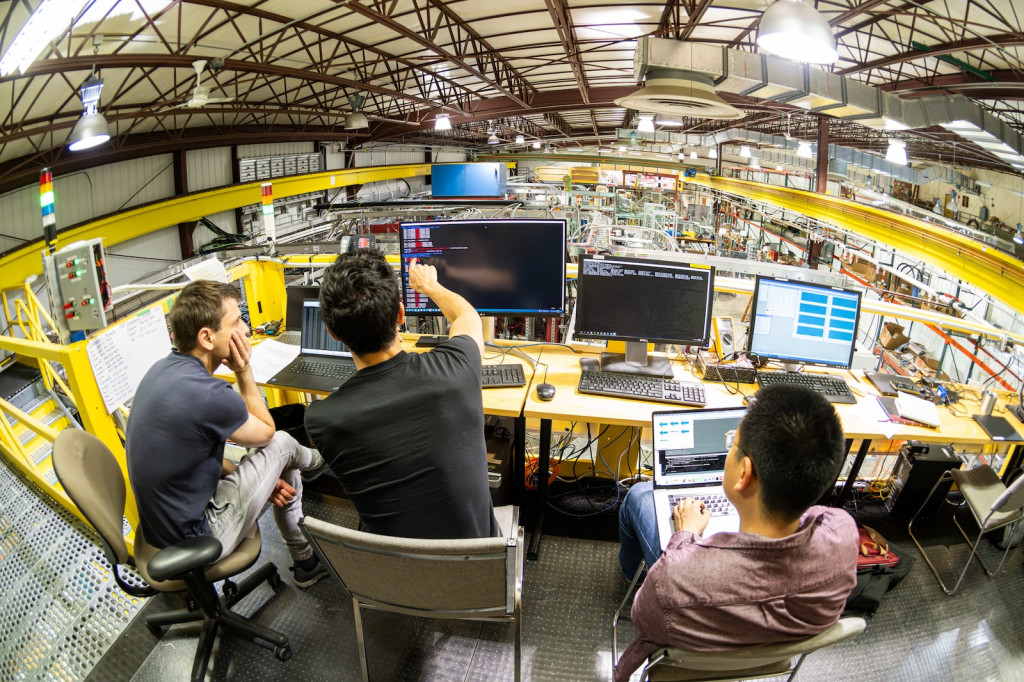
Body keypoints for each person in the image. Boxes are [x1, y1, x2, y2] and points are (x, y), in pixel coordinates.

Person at [614, 383, 858, 682]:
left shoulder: (676, 576)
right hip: (772, 660)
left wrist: (686, 536)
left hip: (684, 663)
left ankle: (629, 572)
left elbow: (643, 617)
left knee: (639, 496)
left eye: (731, 447)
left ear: (744, 473)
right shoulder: (844, 533)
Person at [126, 280, 329, 588]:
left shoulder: (161, 372)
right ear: (206, 337)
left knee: (277, 462)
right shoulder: (209, 394)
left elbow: (196, 454)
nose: (245, 329)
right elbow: (266, 434)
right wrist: (244, 371)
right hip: (202, 535)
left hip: (163, 529)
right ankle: (321, 463)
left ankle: (306, 562)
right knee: (284, 444)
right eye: (235, 322)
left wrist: (262, 480)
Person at [304, 249, 499, 539]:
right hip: (476, 568)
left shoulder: (320, 419)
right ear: (400, 314)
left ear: (333, 332)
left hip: (395, 577)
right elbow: (466, 315)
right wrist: (428, 286)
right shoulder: (457, 368)